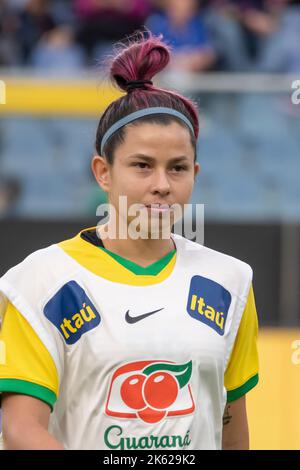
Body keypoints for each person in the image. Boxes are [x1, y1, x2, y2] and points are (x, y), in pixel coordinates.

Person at [0, 33, 259, 450]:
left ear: (195, 172)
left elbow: (230, 423)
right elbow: (20, 429)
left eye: (177, 168)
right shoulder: (41, 281)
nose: (162, 185)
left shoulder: (231, 281)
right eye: (142, 166)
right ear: (103, 172)